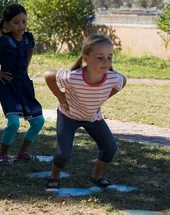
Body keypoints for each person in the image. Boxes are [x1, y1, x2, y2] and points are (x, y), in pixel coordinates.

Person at [44, 33, 127, 191]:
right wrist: (60, 97)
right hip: (68, 117)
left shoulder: (112, 78)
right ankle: (54, 177)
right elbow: (48, 75)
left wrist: (102, 99)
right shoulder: (73, 77)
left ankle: (96, 178)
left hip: (93, 118)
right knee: (63, 154)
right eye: (100, 57)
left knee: (110, 147)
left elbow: (122, 82)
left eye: (109, 57)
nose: (106, 62)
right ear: (86, 58)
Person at [0, 3, 44, 164]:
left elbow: (31, 48)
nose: (21, 26)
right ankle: (2, 156)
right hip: (7, 85)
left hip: (24, 84)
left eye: (24, 21)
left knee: (38, 121)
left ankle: (21, 153)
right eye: (16, 22)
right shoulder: (4, 41)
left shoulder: (28, 39)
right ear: (7, 24)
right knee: (14, 122)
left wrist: (26, 65)